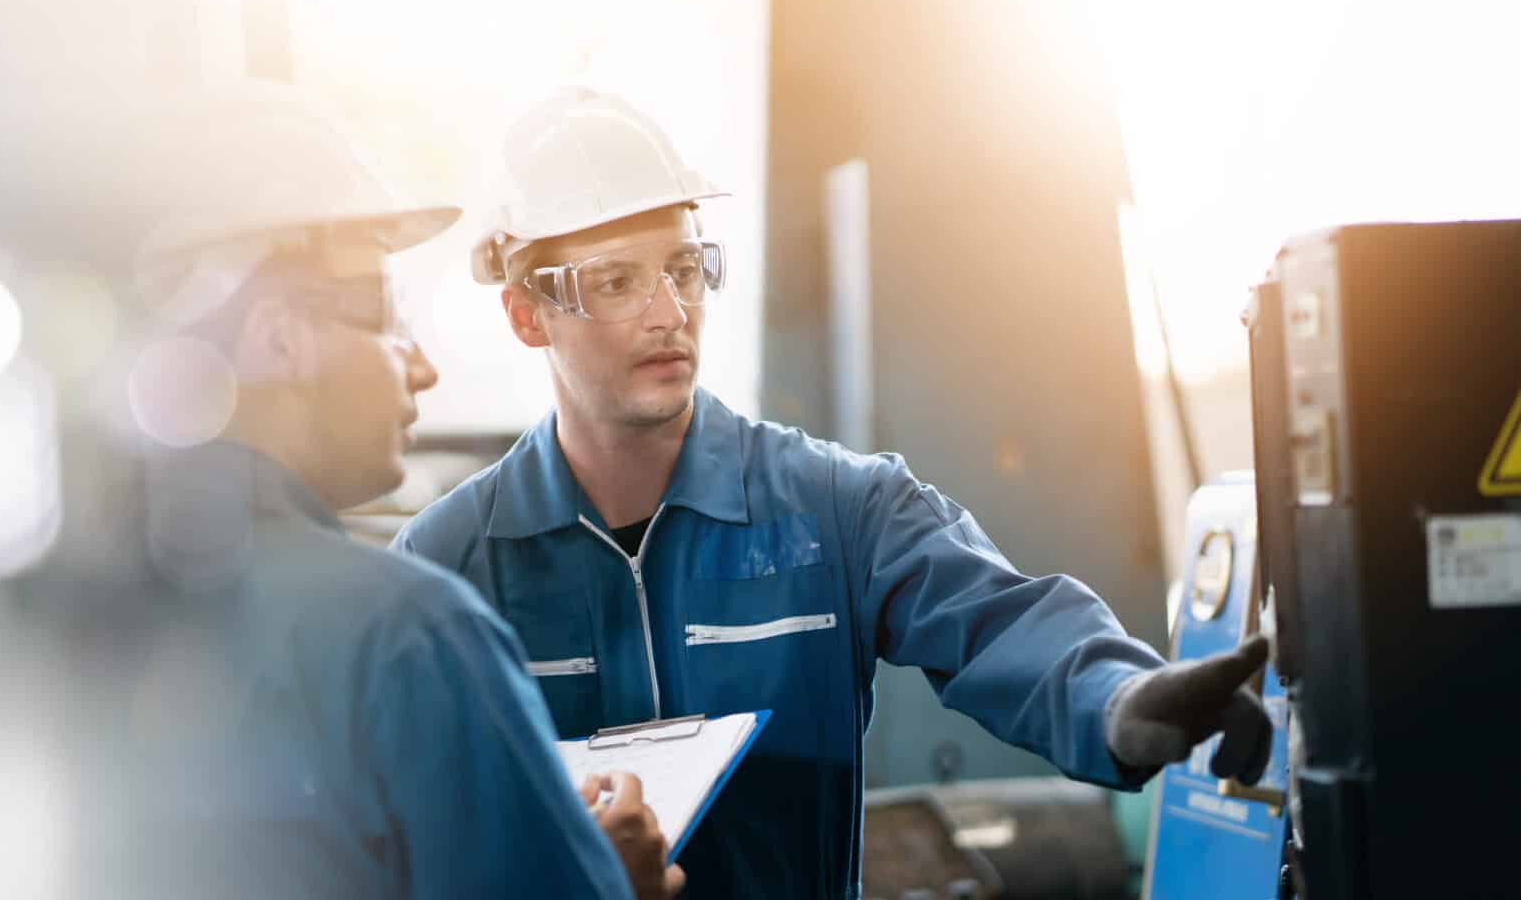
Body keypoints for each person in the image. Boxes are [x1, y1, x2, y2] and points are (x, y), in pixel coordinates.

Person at [393, 87, 1272, 898]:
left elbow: (1000, 619)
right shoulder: (448, 568)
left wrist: (1117, 699)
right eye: (617, 281)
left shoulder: (836, 510)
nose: (669, 311)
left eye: (686, 267)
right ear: (525, 314)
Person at [131, 86, 683, 899]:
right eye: (388, 317)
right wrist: (608, 884)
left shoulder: (81, 611)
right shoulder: (411, 634)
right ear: (279, 337)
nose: (421, 365)